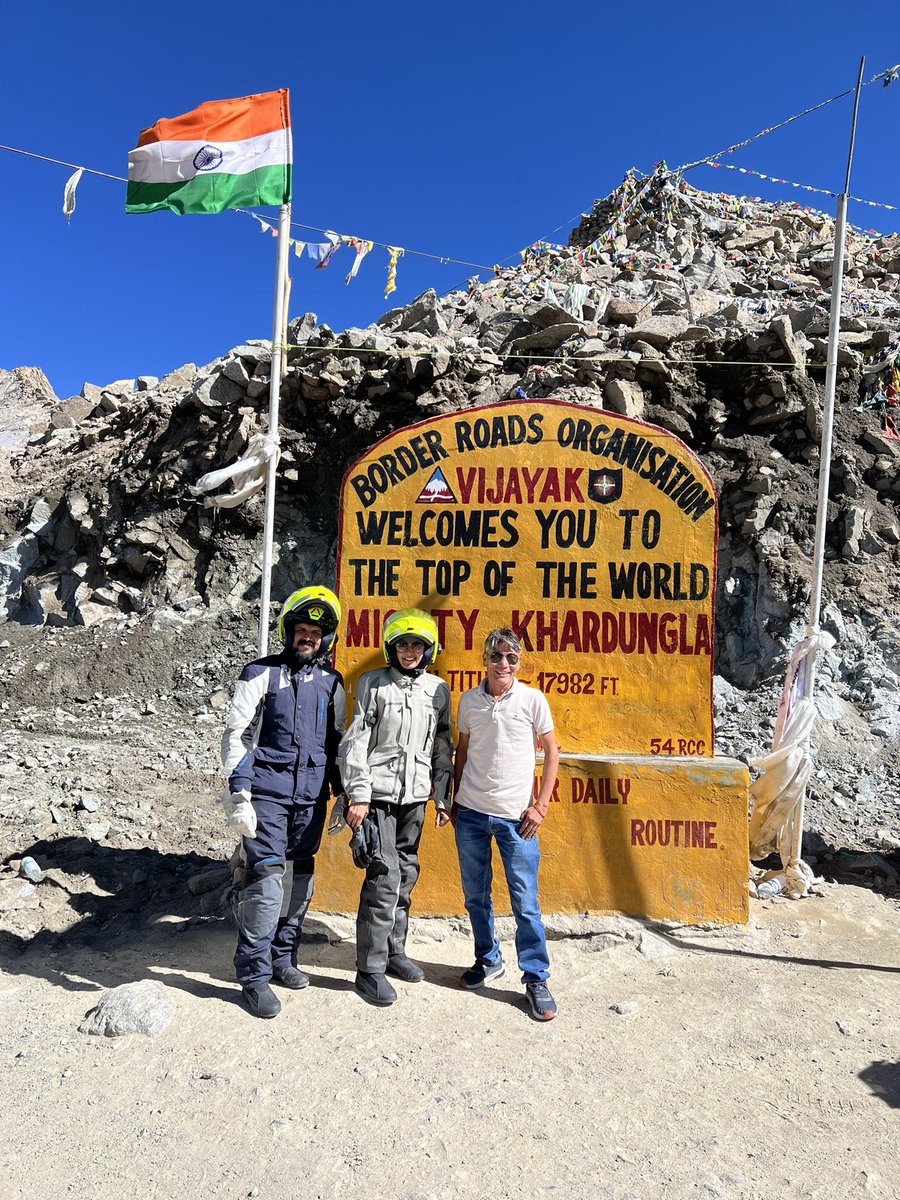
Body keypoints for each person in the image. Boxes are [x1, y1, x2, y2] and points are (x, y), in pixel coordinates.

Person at [221, 586, 346, 1019]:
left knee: (301, 882)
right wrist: (239, 791)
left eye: (316, 632)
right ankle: (253, 977)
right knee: (267, 883)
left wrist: (345, 791)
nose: (307, 637)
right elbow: (235, 734)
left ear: (325, 639)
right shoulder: (260, 672)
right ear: (287, 631)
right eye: (301, 630)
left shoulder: (333, 683)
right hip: (267, 798)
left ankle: (282, 958)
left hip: (311, 801)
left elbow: (339, 742)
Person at [338, 608, 452, 1006]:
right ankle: (368, 970)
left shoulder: (438, 690)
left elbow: (442, 745)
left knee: (405, 872)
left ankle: (394, 952)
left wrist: (440, 795)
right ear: (391, 647)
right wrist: (358, 794)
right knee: (383, 876)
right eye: (402, 644)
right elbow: (355, 740)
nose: (409, 651)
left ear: (428, 649)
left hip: (415, 796)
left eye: (417, 645)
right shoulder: (373, 684)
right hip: (378, 796)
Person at [453, 627, 560, 1021]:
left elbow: (552, 753)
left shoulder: (533, 700)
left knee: (525, 902)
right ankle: (487, 958)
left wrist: (541, 806)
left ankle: (535, 978)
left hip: (518, 820)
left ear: (520, 663)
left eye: (511, 658)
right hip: (471, 814)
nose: (503, 664)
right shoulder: (468, 701)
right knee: (475, 895)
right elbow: (462, 753)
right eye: (497, 656)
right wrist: (453, 803)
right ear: (484, 658)